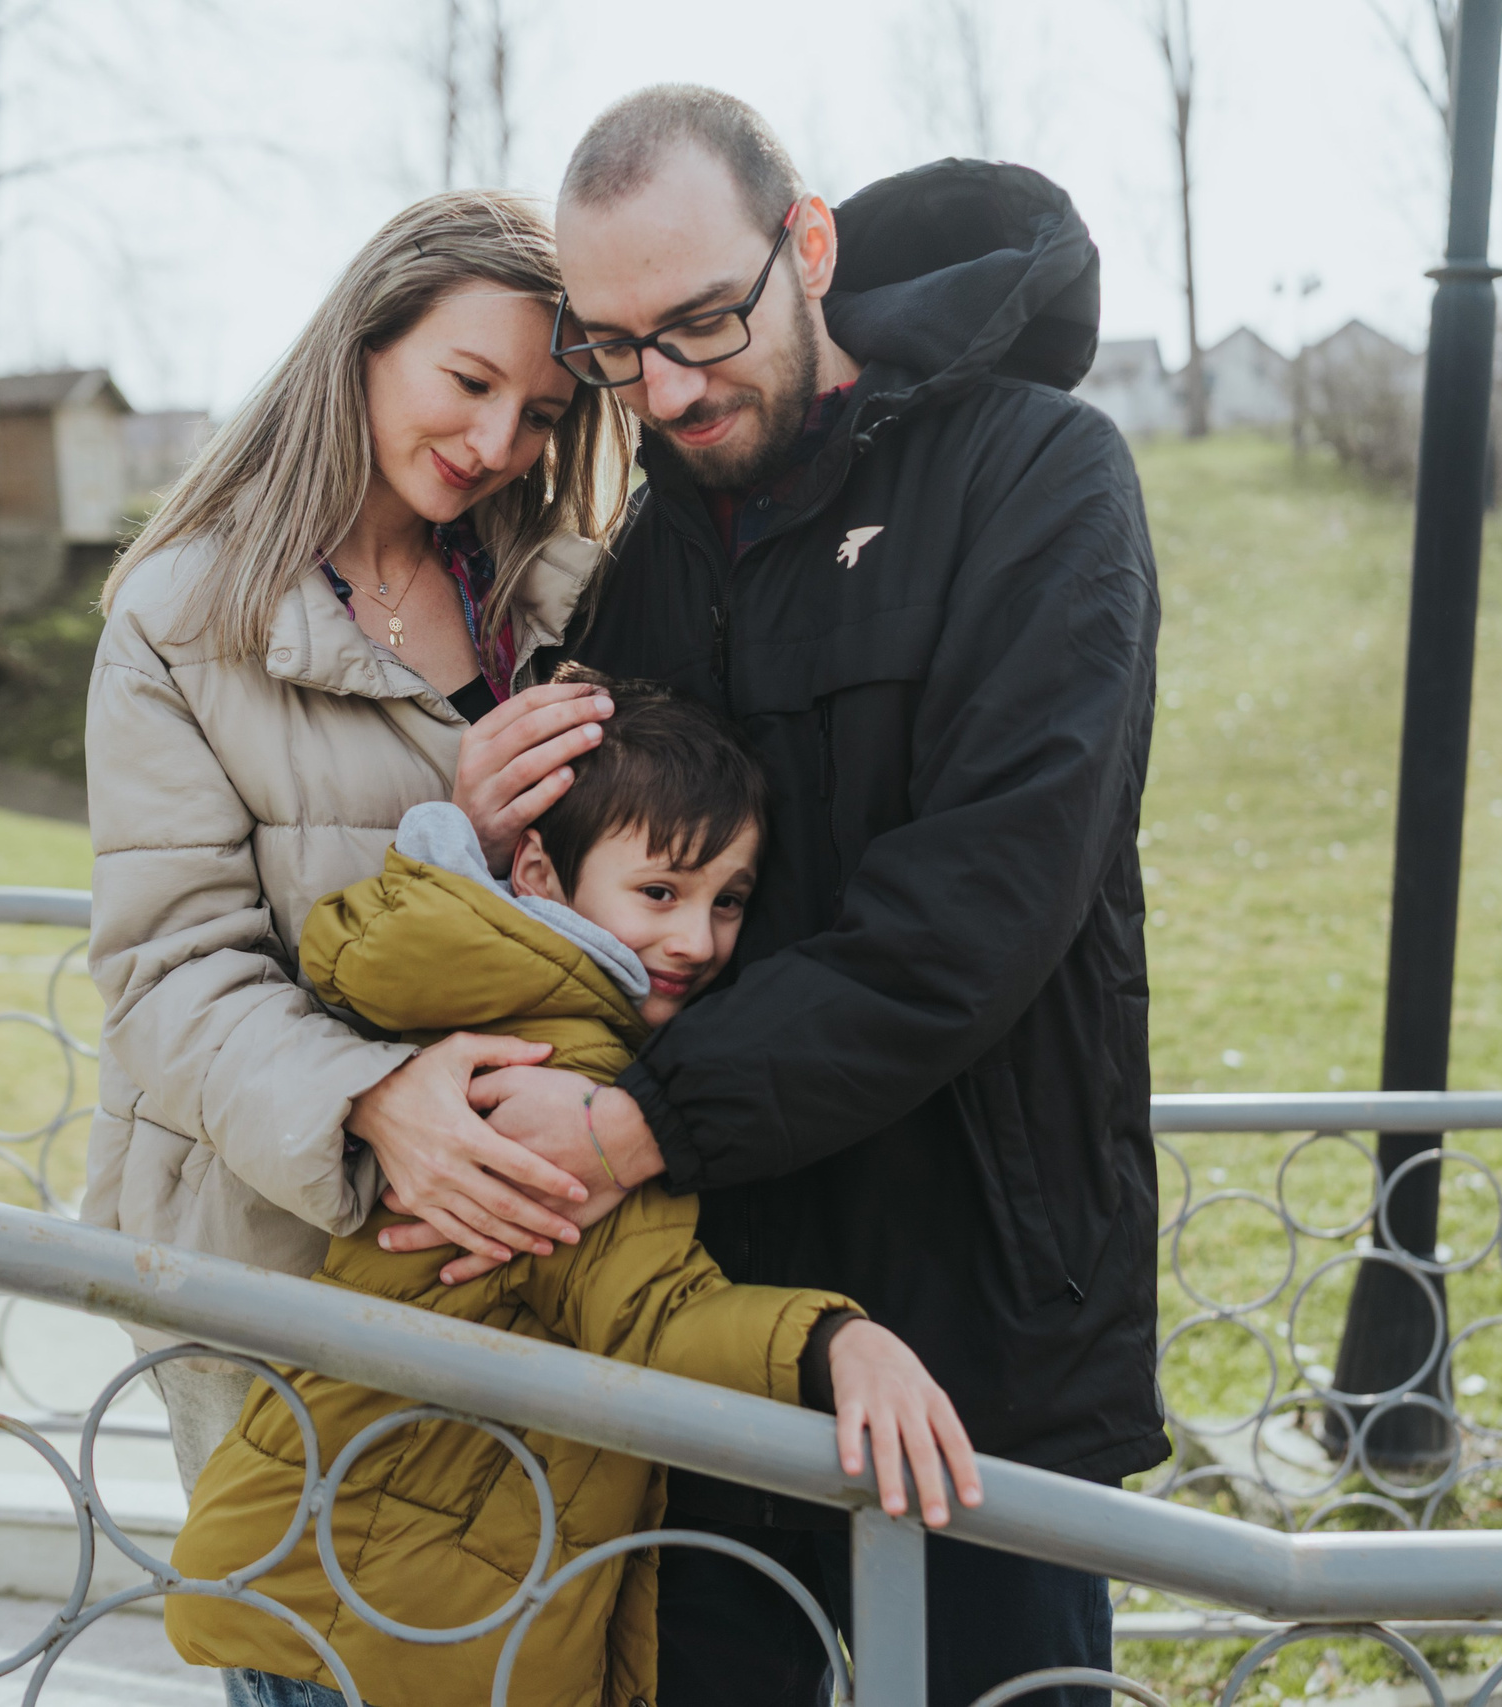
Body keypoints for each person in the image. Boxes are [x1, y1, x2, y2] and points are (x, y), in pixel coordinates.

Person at [405, 87, 1165, 1707]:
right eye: (618, 351)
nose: (669, 388)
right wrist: (473, 833)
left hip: (977, 1329)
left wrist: (634, 1126)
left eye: (703, 322)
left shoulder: (1043, 477)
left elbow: (982, 904)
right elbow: (582, 913)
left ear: (807, 244)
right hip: (706, 1332)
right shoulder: (640, 560)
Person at [164, 683, 979, 1707]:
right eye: (660, 891)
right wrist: (834, 1344)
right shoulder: (565, 1070)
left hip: (328, 1566)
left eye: (727, 901)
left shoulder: (474, 992)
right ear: (541, 873)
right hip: (399, 1618)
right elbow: (650, 1314)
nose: (697, 939)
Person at [79, 188, 638, 1488]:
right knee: (298, 1612)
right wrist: (373, 1102)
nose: (496, 441)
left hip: (541, 1258)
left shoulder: (571, 599)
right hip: (273, 1270)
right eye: (469, 381)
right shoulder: (181, 622)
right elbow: (168, 976)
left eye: (542, 414)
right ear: (363, 343)